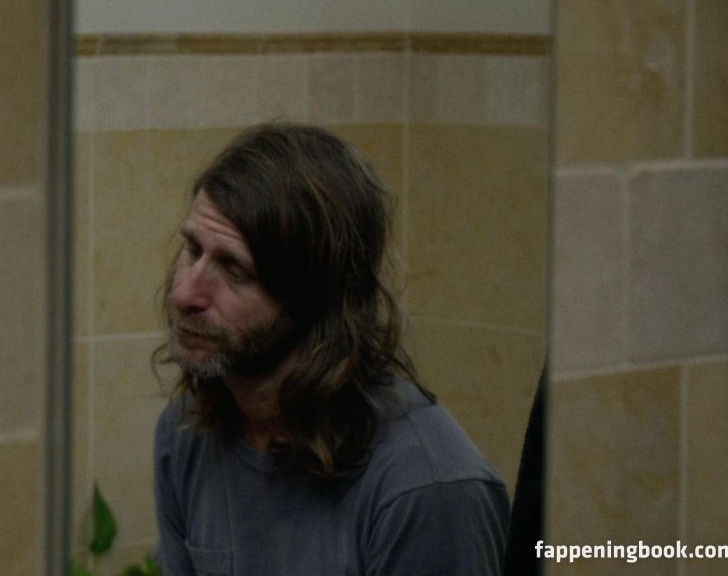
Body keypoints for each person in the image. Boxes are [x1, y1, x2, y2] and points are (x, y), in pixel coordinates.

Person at [153, 123, 508, 575]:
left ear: (312, 301)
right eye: (192, 250)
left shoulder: (425, 488)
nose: (185, 293)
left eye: (235, 271)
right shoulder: (186, 434)